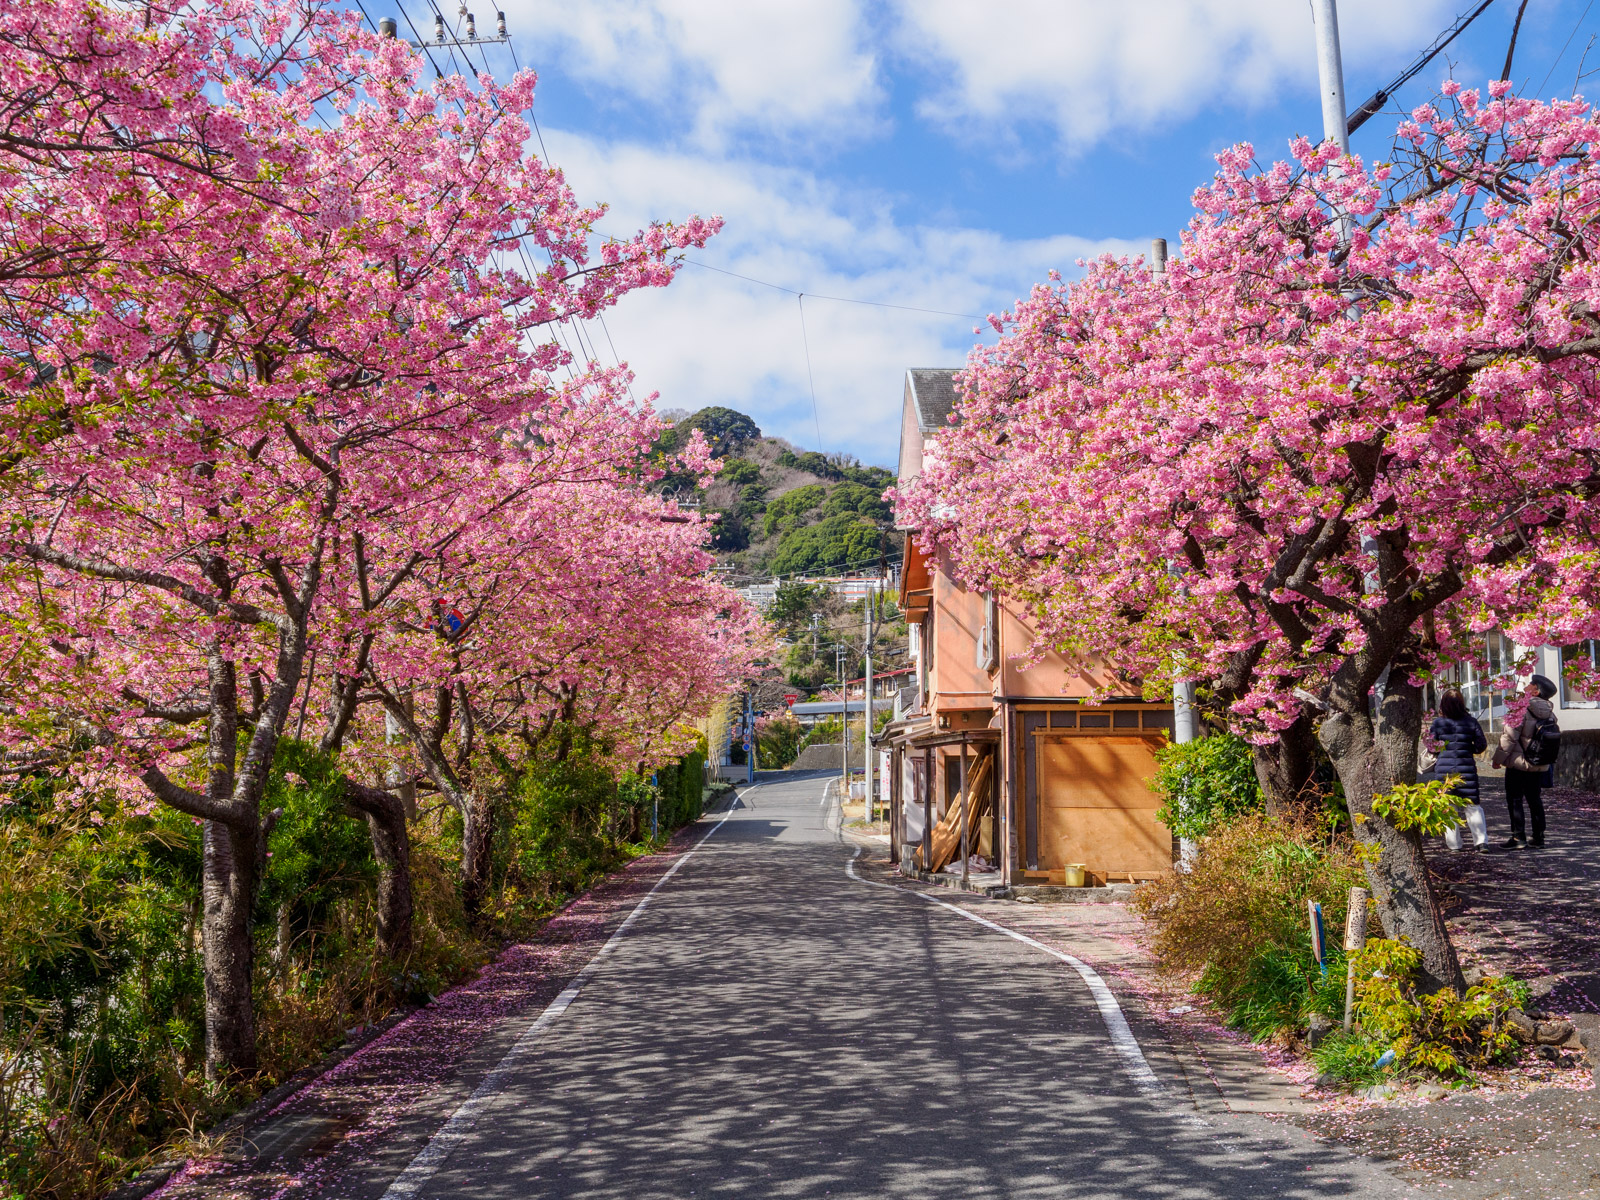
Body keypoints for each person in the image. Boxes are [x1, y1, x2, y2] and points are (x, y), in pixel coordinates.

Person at [1494, 674, 1561, 849]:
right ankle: (1539, 837)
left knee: (1515, 799)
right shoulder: (1551, 714)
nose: (1526, 686)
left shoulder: (1520, 710)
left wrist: (1497, 759)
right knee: (1535, 800)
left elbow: (1509, 738)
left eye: (1530, 685)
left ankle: (1518, 838)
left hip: (1518, 763)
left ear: (1536, 691)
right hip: (1539, 763)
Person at [1429, 687, 1487, 809]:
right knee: (1472, 807)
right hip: (1467, 770)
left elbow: (1432, 747)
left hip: (1444, 769)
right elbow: (1481, 745)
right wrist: (1468, 748)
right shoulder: (1471, 721)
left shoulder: (1438, 723)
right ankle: (1480, 829)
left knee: (1447, 808)